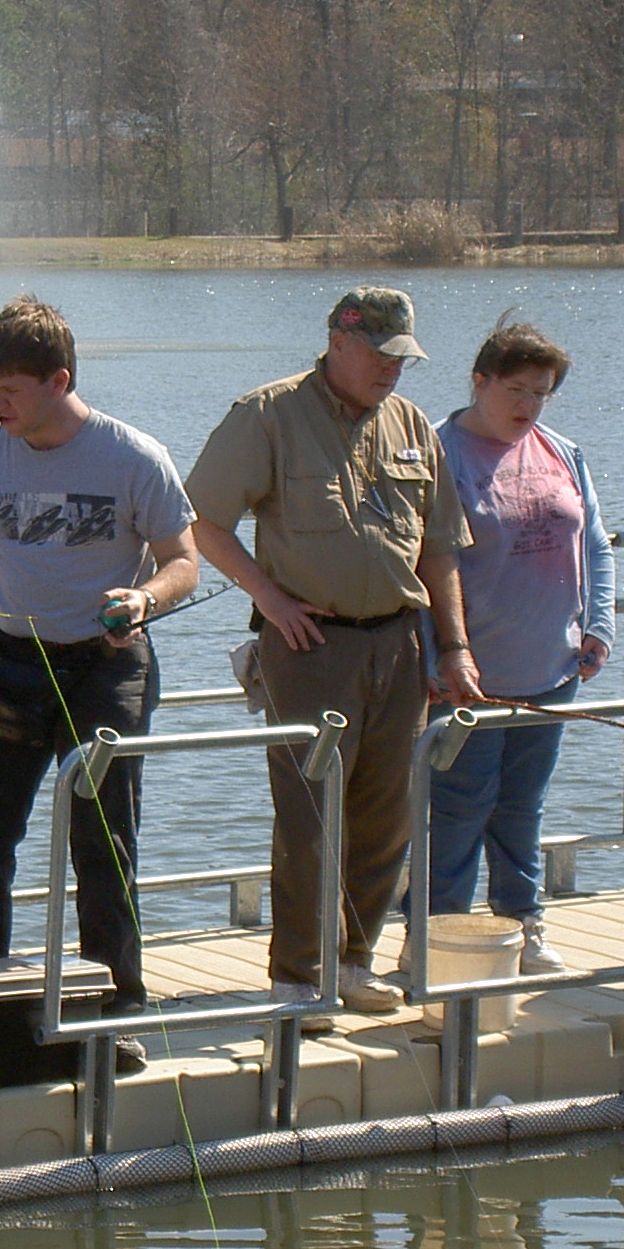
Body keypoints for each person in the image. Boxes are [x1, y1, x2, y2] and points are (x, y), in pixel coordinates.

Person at [0, 295, 199, 1062]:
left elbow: (184, 562)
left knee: (103, 842)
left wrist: (145, 598)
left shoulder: (133, 456)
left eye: (9, 390)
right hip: (11, 666)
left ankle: (117, 1009)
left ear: (58, 379)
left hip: (106, 667)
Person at [185, 285, 478, 1016]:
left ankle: (355, 964)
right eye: (379, 356)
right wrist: (271, 600)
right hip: (310, 645)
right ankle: (297, 977)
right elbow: (203, 522)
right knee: (311, 816)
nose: (392, 372)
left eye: (402, 358)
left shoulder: (412, 424)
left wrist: (456, 648)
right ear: (339, 343)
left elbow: (440, 549)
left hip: (400, 646)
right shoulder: (269, 414)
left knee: (389, 815)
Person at [421, 322, 615, 973]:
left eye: (541, 392)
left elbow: (594, 543)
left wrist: (599, 626)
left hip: (550, 667)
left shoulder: (562, 451)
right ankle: (433, 940)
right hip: (467, 678)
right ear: (480, 382)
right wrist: (436, 657)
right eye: (514, 388)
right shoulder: (439, 452)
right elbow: (419, 561)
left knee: (521, 809)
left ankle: (523, 926)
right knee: (458, 810)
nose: (527, 404)